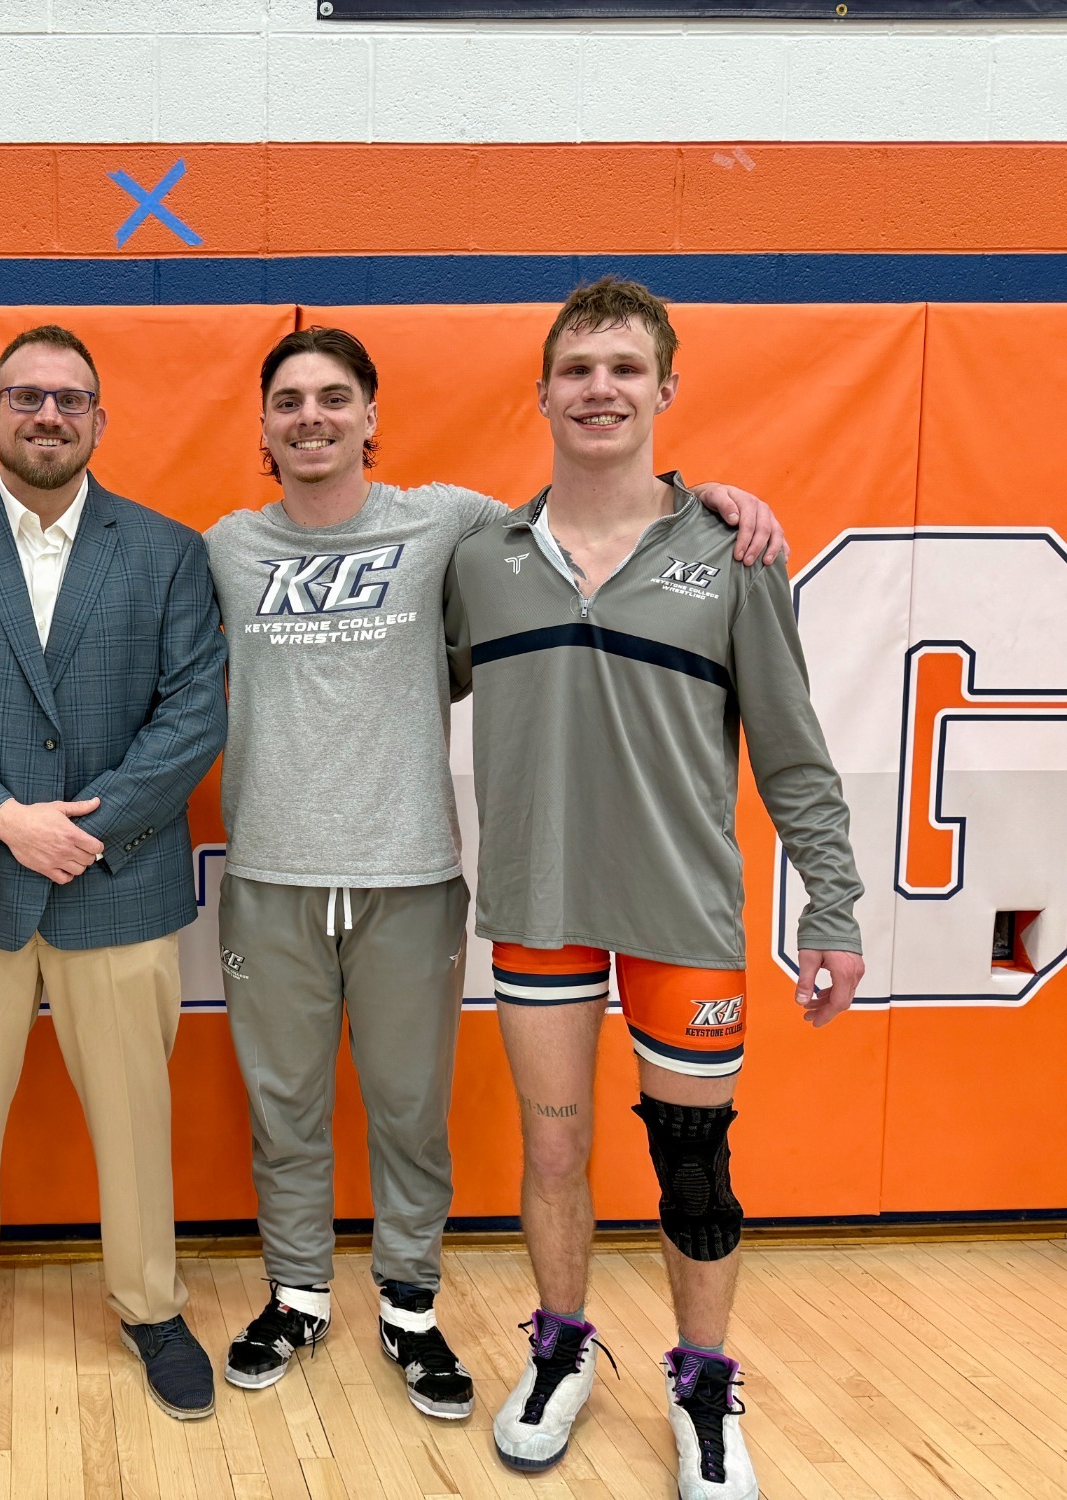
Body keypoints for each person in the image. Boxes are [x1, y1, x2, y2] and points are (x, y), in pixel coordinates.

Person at [203, 326, 786, 1414]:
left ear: (371, 417)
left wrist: (708, 496)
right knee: (282, 1107)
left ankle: (407, 1308)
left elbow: (598, 512)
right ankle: (295, 1294)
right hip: (270, 875)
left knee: (407, 1108)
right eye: (288, 401)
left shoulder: (452, 525)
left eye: (335, 397)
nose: (312, 417)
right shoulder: (226, 547)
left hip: (410, 873)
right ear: (265, 426)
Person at [445, 277, 864, 1499]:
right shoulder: (485, 559)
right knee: (554, 1148)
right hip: (536, 905)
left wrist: (830, 904)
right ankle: (562, 1345)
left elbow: (788, 751)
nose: (598, 389)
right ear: (541, 393)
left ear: (664, 391)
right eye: (576, 368)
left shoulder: (730, 551)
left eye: (624, 369)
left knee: (692, 1163)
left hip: (682, 914)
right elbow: (395, 684)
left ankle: (698, 1383)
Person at [0, 324, 228, 1423]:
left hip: (118, 882)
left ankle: (150, 1307)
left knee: (132, 1115)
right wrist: (3, 820)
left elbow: (191, 712)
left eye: (69, 399)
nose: (47, 416)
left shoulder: (165, 551)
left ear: (99, 420)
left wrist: (84, 830)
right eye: (24, 397)